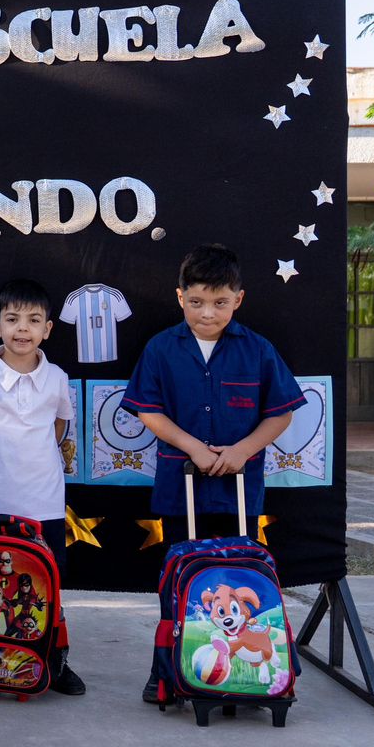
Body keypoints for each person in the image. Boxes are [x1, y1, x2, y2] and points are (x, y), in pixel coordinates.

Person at [122, 244, 302, 703]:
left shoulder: (257, 349)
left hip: (239, 490)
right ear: (180, 296)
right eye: (197, 302)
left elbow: (280, 413)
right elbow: (148, 410)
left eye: (220, 302)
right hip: (179, 486)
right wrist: (193, 448)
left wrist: (242, 450)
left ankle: (247, 672)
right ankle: (167, 669)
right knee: (178, 578)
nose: (208, 313)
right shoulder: (161, 348)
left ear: (238, 299)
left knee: (241, 579)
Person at [0, 278, 86, 696]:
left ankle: (53, 660)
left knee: (47, 585)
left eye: (33, 320)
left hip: (44, 501)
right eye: (12, 319)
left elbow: (60, 424)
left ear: (47, 328)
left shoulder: (57, 377)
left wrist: (39, 455)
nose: (22, 329)